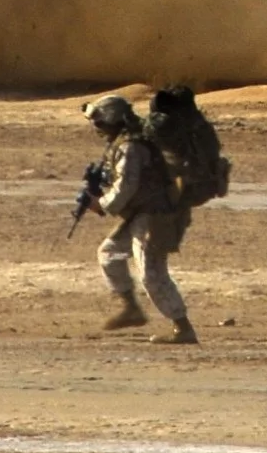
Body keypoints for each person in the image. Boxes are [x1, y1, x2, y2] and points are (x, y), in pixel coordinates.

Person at [82, 93, 197, 345]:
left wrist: (101, 205)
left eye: (100, 122)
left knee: (151, 273)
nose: (97, 128)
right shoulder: (125, 143)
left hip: (154, 216)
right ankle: (131, 309)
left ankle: (183, 328)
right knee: (109, 254)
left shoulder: (130, 147)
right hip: (141, 213)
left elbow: (127, 186)